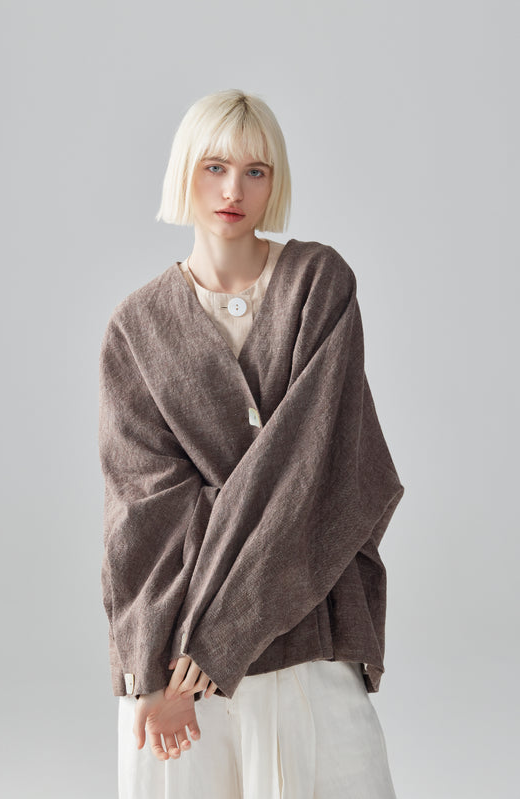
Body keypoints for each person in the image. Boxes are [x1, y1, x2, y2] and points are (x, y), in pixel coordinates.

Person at [98, 88, 404, 799]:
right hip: (177, 669)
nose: (233, 190)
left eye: (255, 171)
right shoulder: (135, 329)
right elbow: (141, 517)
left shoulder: (318, 284)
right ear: (184, 171)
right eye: (214, 167)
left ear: (275, 181)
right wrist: (150, 676)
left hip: (301, 636)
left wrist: (219, 638)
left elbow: (314, 472)